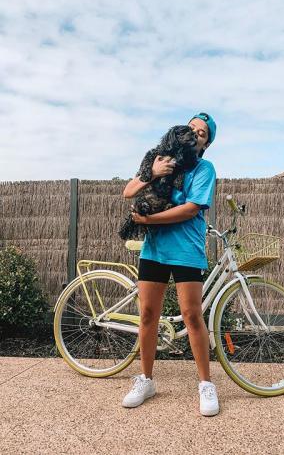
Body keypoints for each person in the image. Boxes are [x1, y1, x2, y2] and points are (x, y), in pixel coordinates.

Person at [121, 113, 219, 416]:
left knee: (192, 316)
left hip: (186, 250)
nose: (195, 133)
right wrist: (152, 172)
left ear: (205, 144)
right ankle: (146, 380)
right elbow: (128, 191)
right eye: (192, 128)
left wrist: (148, 220)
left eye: (202, 133)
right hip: (154, 250)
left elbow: (190, 210)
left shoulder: (204, 169)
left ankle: (206, 384)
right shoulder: (161, 160)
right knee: (148, 315)